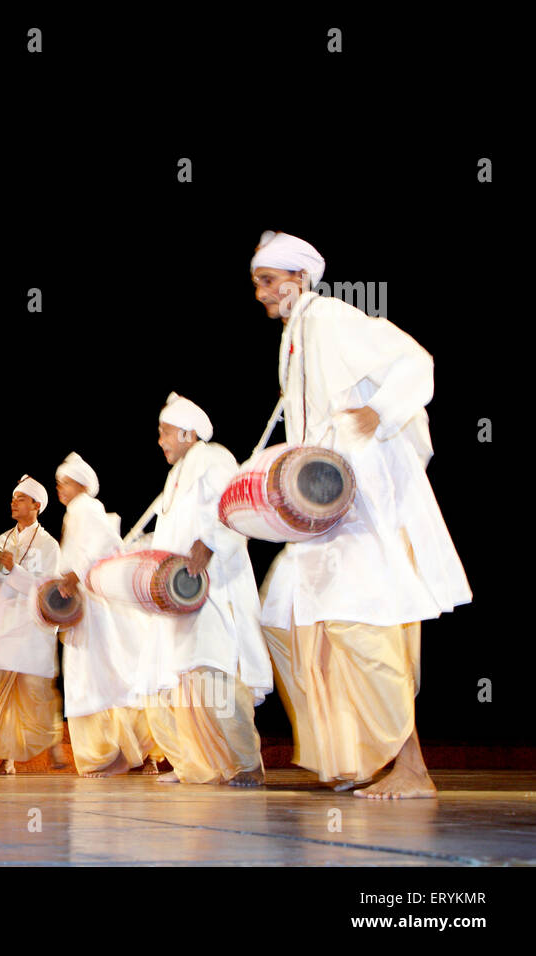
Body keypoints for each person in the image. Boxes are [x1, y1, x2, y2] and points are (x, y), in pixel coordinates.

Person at [250, 231, 471, 798]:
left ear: (298, 280)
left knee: (360, 628)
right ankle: (355, 755)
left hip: (358, 509)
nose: (261, 294)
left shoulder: (327, 318)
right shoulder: (297, 337)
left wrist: (381, 409)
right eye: (258, 283)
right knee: (286, 621)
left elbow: (414, 360)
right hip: (321, 514)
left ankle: (412, 767)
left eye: (268, 281)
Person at [144, 394, 272, 787]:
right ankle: (199, 766)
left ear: (187, 432)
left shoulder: (214, 457)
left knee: (213, 676)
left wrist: (211, 542)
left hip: (215, 589)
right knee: (184, 680)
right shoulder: (175, 476)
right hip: (182, 596)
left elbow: (233, 506)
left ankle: (246, 763)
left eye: (165, 432)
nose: (160, 440)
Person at [55, 453, 161, 777]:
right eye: (59, 483)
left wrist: (74, 575)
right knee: (105, 677)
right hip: (89, 610)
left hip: (96, 609)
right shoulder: (77, 512)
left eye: (67, 482)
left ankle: (114, 754)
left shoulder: (85, 508)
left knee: (99, 678)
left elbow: (104, 545)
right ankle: (135, 753)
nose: (61, 489)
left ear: (83, 484)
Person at [0, 475, 68, 774]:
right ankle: (7, 757)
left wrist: (13, 568)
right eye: (13, 498)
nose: (13, 503)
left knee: (34, 690)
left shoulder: (48, 545)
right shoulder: (1, 539)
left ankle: (52, 743)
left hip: (29, 625)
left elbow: (48, 587)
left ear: (36, 505)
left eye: (20, 498)